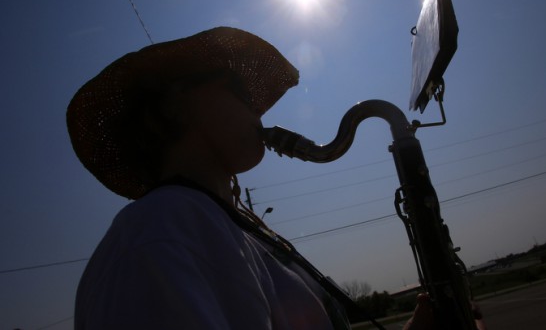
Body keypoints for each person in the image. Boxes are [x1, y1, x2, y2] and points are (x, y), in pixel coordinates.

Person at [67, 26, 471, 329]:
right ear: (175, 106)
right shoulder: (157, 232)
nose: (258, 113)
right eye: (239, 93)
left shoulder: (212, 226)